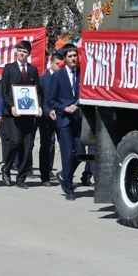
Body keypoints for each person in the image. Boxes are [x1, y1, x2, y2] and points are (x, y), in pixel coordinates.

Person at [0, 40, 42, 188]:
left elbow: (37, 91)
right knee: (15, 141)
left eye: (25, 51)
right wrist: (11, 106)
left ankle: (21, 178)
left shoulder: (33, 70)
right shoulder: (9, 68)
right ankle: (6, 168)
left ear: (29, 54)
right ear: (16, 52)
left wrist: (39, 106)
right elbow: (4, 91)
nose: (22, 53)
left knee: (27, 145)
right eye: (19, 51)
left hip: (29, 113)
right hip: (13, 114)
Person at [50, 44, 85, 200]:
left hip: (78, 119)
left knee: (80, 152)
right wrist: (64, 108)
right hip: (64, 120)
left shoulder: (81, 74)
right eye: (70, 56)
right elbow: (51, 100)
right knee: (67, 153)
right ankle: (69, 188)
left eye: (75, 55)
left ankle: (64, 174)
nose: (73, 58)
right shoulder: (58, 76)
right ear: (65, 59)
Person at [39, 51, 63, 186]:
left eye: (61, 64)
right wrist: (48, 112)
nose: (59, 66)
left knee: (65, 146)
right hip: (46, 118)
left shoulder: (63, 78)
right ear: (51, 62)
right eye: (57, 64)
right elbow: (41, 100)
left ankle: (66, 175)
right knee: (47, 145)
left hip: (61, 116)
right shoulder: (43, 79)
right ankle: (45, 175)